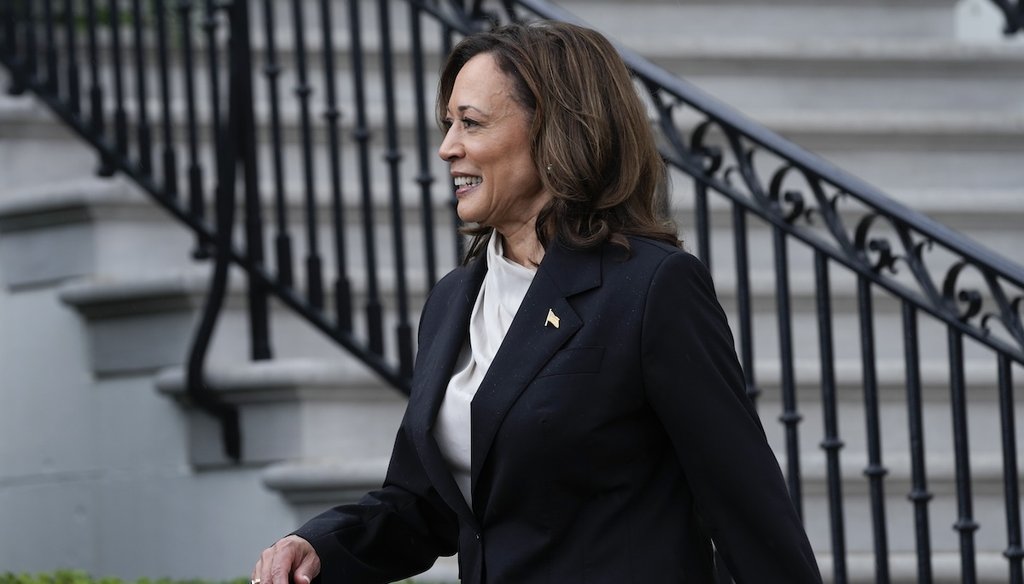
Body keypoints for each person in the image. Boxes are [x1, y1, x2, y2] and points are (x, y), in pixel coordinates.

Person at [251, 20, 822, 584]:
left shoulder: (653, 288)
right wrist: (319, 544)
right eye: (448, 124)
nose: (447, 147)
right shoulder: (453, 300)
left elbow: (748, 510)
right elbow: (423, 504)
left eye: (470, 123)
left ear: (554, 132)